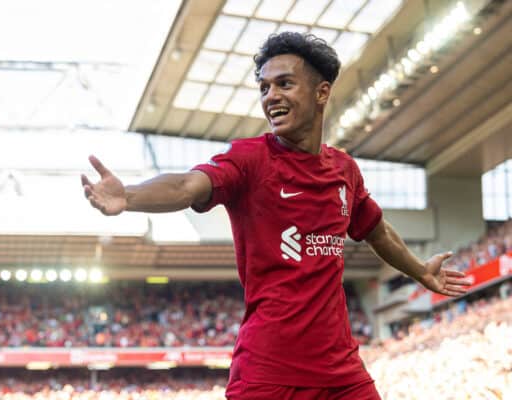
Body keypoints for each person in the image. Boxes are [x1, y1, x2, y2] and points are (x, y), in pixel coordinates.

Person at [81, 32, 472, 400]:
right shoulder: (250, 160)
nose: (271, 96)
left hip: (341, 372)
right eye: (264, 87)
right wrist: (129, 196)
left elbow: (377, 231)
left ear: (322, 93)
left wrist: (420, 271)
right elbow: (186, 186)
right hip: (268, 371)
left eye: (284, 83)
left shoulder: (345, 171)